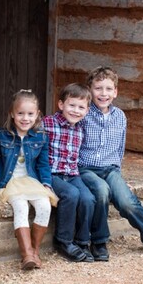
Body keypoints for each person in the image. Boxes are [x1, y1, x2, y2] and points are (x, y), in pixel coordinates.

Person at [79, 66, 143, 260]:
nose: (103, 93)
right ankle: (99, 242)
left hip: (110, 170)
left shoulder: (120, 117)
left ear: (115, 92)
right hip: (85, 169)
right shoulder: (83, 114)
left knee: (126, 201)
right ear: (90, 90)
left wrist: (119, 178)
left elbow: (119, 149)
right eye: (98, 88)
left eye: (108, 89)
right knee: (102, 191)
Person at [0, 90, 58, 271]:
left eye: (30, 114)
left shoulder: (41, 137)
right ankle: (27, 255)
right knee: (21, 207)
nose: (25, 118)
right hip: (9, 183)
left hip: (32, 182)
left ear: (37, 114)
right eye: (20, 113)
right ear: (12, 113)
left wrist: (46, 183)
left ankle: (35, 252)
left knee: (45, 206)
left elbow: (43, 165)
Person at [42, 83, 95, 262]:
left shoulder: (81, 127)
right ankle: (63, 241)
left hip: (72, 174)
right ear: (61, 104)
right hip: (51, 174)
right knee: (71, 194)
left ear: (87, 111)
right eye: (71, 105)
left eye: (81, 107)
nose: (75, 111)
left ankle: (82, 241)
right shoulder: (47, 123)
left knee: (88, 198)